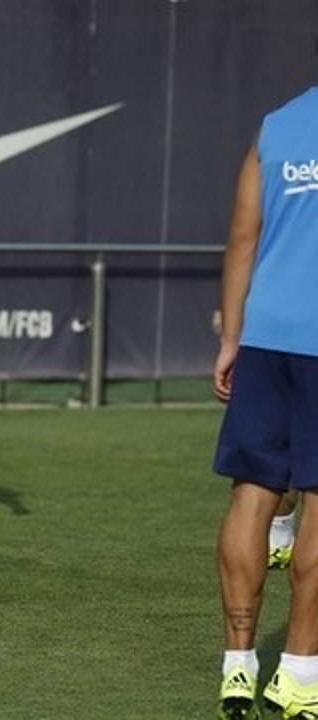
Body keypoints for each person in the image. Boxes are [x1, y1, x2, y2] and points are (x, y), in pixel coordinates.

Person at [212, 82, 318, 719]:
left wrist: (231, 338)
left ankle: (238, 664)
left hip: (265, 337)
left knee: (251, 496)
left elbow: (241, 239)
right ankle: (299, 674)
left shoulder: (275, 125)